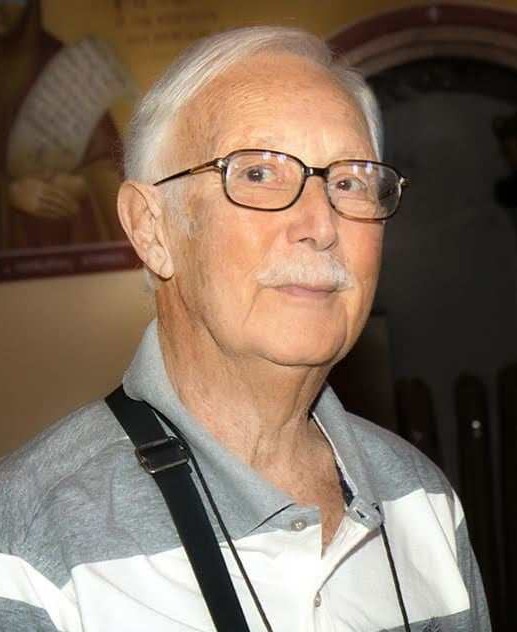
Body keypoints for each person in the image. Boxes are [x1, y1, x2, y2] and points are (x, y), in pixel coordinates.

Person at [0, 26, 491, 631]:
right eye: (258, 173)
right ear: (152, 228)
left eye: (349, 183)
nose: (322, 226)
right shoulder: (28, 545)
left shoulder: (423, 500)